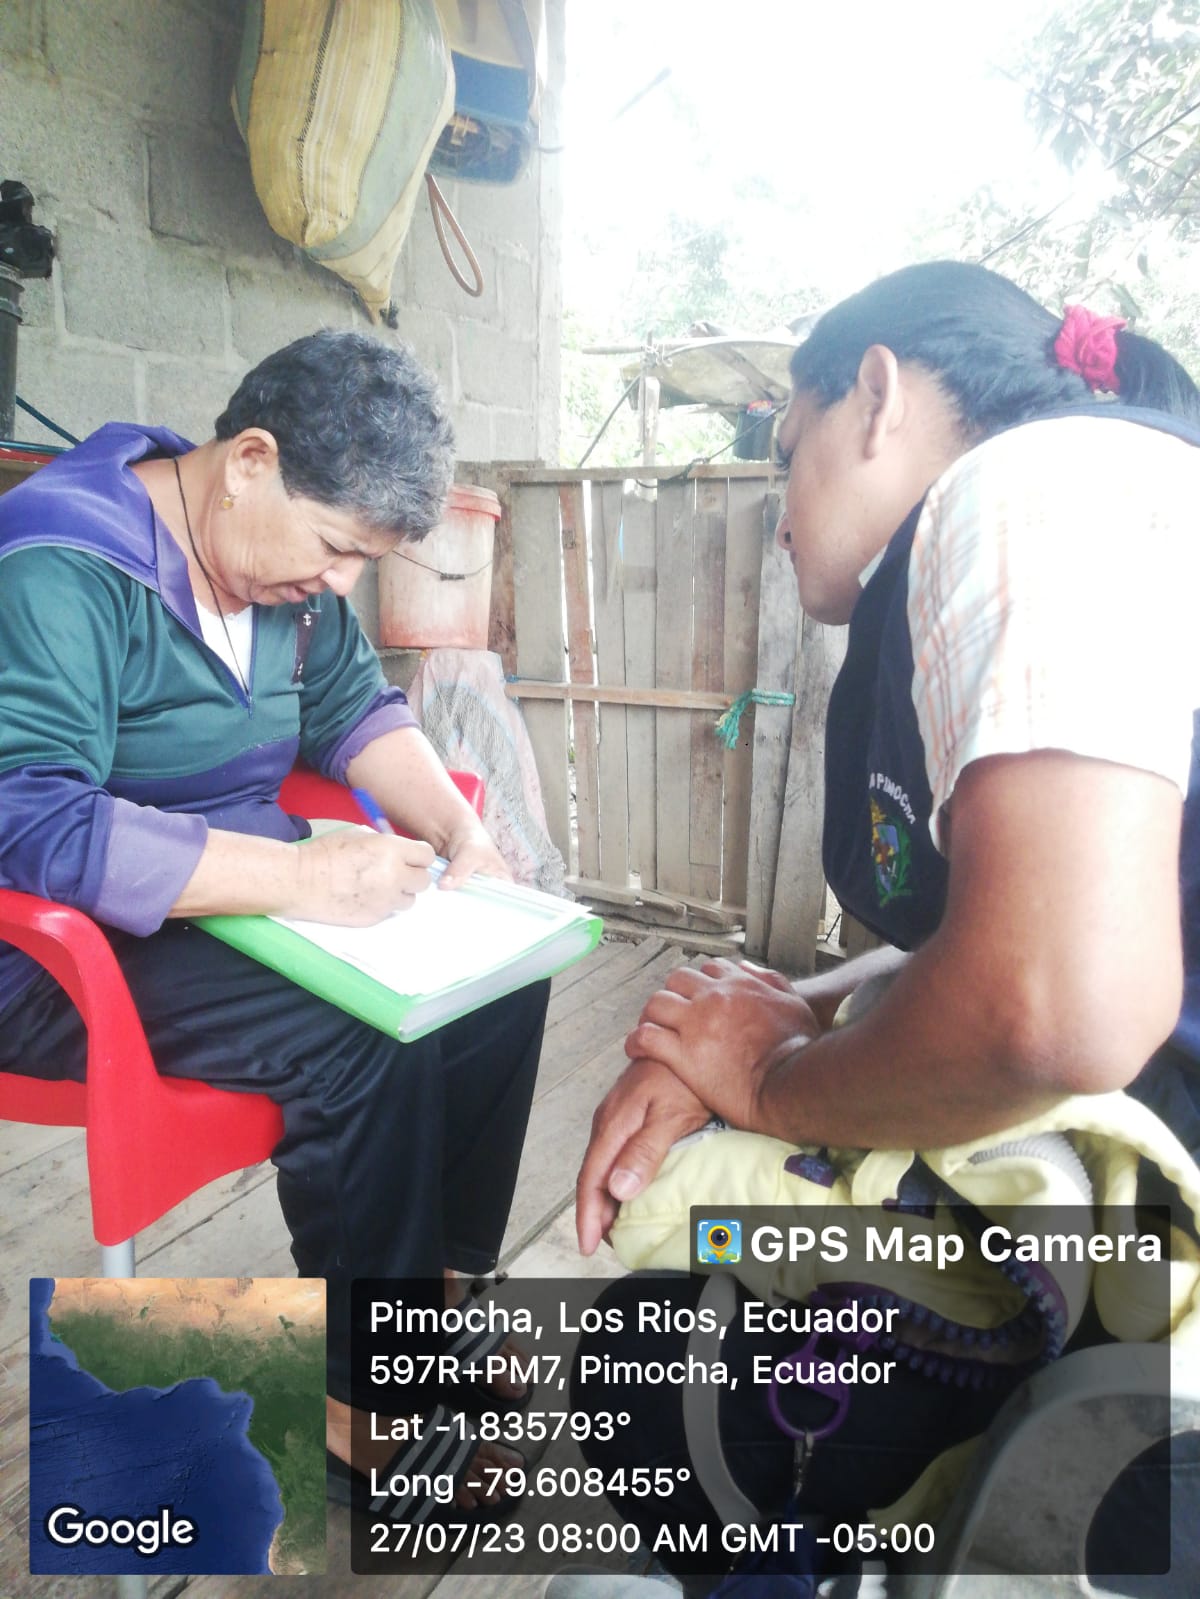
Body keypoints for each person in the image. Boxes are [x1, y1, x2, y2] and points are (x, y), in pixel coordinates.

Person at [571, 261, 1200, 1582]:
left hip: (1138, 1342)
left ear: (876, 397)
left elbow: (1059, 1005)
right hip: (1116, 1252)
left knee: (647, 1352)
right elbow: (1002, 935)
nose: (776, 517)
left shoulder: (1030, 485)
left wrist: (767, 1079)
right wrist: (775, 1011)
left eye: (785, 452)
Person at [0, 329, 544, 1512]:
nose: (341, 584)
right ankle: (355, 1407)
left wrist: (465, 838)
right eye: (337, 548)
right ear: (249, 461)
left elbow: (355, 711)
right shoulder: (61, 561)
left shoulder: (281, 585)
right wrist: (300, 881)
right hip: (58, 948)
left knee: (500, 968)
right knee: (356, 1031)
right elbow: (30, 823)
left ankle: (433, 1302)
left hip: (237, 899)